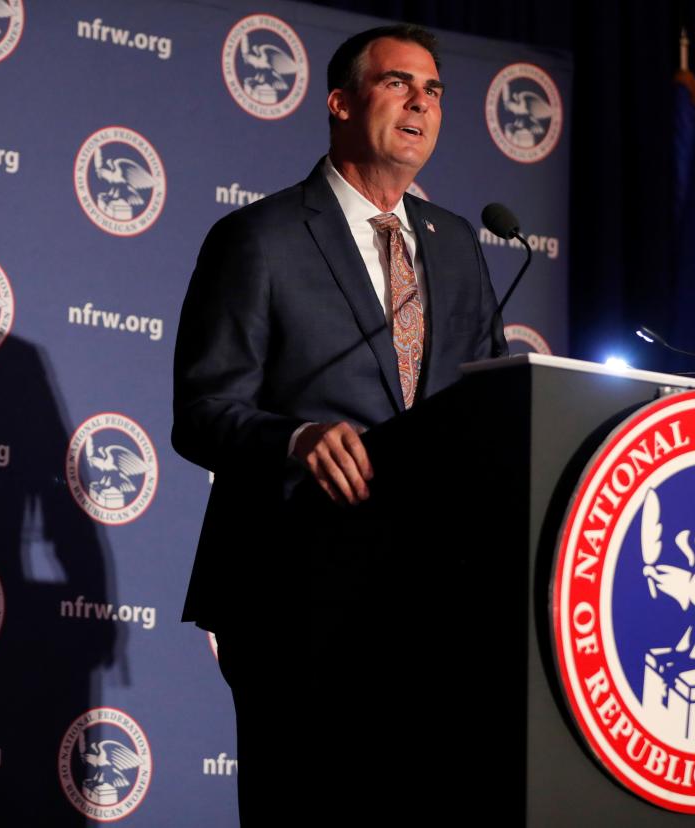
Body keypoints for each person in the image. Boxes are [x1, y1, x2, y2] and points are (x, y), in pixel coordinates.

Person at [173, 24, 507, 823]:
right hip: (295, 586)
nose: (421, 102)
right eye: (399, 84)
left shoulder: (457, 245)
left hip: (432, 597)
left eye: (433, 91)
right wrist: (293, 438)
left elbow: (491, 398)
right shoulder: (260, 238)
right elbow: (202, 409)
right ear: (341, 102)